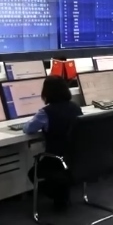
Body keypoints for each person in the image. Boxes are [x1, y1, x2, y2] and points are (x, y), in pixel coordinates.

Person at [22, 76, 83, 209]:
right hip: (75, 158)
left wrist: (24, 124)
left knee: (33, 173)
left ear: (46, 93)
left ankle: (59, 195)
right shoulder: (75, 108)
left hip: (56, 159)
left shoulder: (45, 112)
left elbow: (28, 129)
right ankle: (62, 194)